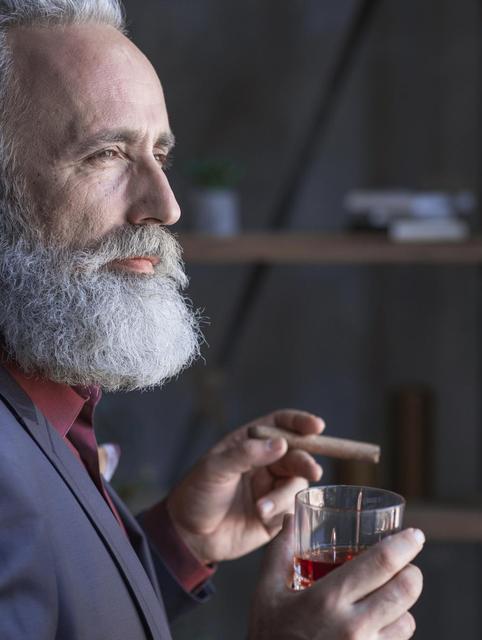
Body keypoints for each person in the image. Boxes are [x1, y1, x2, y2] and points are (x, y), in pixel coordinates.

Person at [0, 1, 424, 638]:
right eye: (106, 155)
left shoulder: (41, 395)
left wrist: (178, 542)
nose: (164, 206)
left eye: (158, 156)